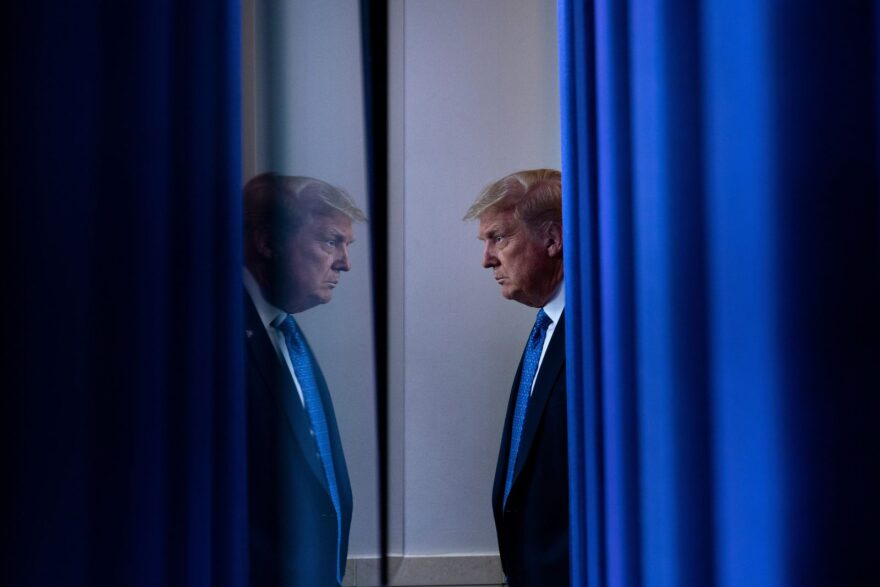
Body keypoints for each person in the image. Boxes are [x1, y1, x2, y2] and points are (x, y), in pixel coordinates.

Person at [243, 172, 366, 586]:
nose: (345, 263)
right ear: (267, 242)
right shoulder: (208, 337)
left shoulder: (283, 331)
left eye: (347, 246)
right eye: (331, 241)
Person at [464, 169, 568, 586]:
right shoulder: (547, 326)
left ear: (553, 239)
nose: (487, 258)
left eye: (499, 238)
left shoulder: (601, 333)